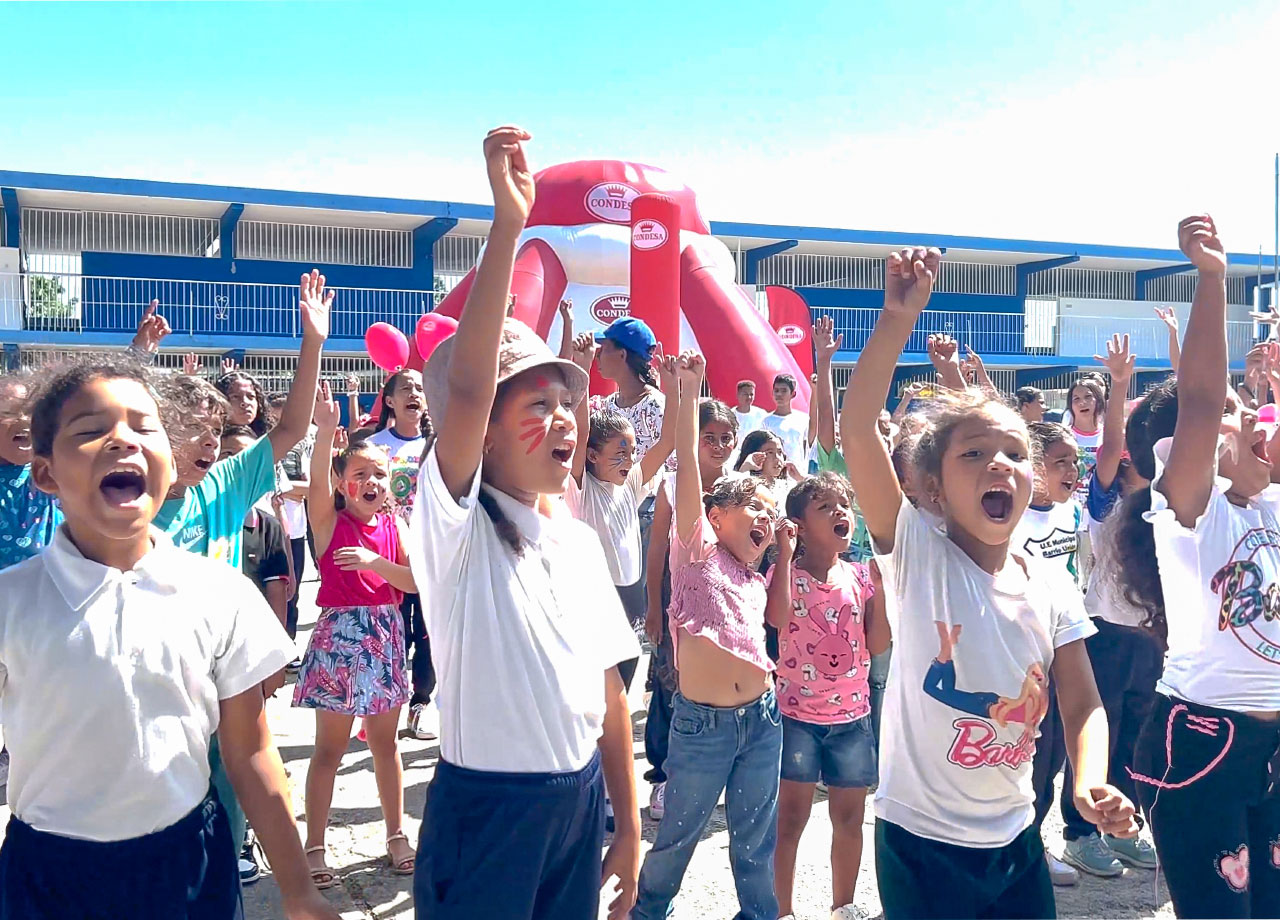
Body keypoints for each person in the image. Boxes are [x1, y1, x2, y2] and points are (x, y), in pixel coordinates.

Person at [841, 245, 1136, 919]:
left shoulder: (1051, 587)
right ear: (936, 491)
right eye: (973, 454)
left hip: (1015, 838)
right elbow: (858, 429)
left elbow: (1082, 701)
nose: (998, 464)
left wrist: (1089, 783)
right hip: (919, 841)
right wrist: (895, 319)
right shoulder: (917, 555)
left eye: (1012, 452)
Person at [0, 356, 338, 920]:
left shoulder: (219, 592)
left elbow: (251, 750)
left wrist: (299, 889)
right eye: (90, 430)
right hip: (50, 873)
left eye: (143, 426)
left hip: (188, 863)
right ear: (46, 474)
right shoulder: (12, 601)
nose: (121, 441)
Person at [408, 126, 640, 920]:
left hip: (576, 804)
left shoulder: (576, 540)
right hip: (486, 814)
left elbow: (609, 690)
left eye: (567, 402)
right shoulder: (456, 532)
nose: (565, 419)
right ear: (486, 432)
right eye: (537, 404)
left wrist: (629, 825)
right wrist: (510, 226)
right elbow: (469, 394)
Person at [1114, 215, 1280, 918]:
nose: (1254, 418)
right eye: (1244, 413)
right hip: (1203, 746)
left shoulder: (1269, 507)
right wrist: (1212, 278)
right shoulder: (1190, 516)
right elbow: (1205, 400)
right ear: (1195, 446)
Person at [152, 269, 331, 861]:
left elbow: (291, 428)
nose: (209, 442)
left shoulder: (226, 482)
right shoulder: (125, 499)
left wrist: (313, 342)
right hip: (153, 682)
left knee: (227, 807)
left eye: (216, 430)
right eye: (192, 432)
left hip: (223, 679)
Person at [632, 353, 782, 920]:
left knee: (754, 842)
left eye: (769, 513)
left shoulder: (752, 569)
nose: (764, 521)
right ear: (717, 519)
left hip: (763, 721)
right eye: (753, 510)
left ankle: (759, 913)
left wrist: (780, 547)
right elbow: (691, 482)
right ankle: (649, 910)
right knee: (678, 838)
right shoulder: (696, 555)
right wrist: (690, 395)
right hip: (703, 726)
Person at [293, 381, 417, 888]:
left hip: (385, 636)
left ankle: (395, 834)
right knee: (329, 750)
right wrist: (325, 433)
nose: (371, 481)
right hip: (340, 641)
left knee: (386, 747)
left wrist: (375, 562)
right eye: (360, 474)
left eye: (379, 474)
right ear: (344, 484)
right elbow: (318, 482)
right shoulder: (328, 521)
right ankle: (315, 844)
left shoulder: (394, 526)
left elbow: (413, 583)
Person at [1058, 333, 1160, 878]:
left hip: (1149, 634)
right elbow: (1107, 441)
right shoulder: (1106, 498)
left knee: (1140, 730)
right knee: (1105, 728)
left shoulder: (1164, 497)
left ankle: (1124, 826)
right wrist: (1118, 386)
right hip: (1106, 628)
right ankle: (1079, 833)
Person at [766, 473, 889, 920]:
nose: (842, 512)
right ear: (798, 524)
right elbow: (777, 619)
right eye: (826, 507)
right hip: (796, 717)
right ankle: (783, 910)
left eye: (845, 504)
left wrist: (883, 593)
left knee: (850, 819)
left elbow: (877, 646)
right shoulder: (788, 576)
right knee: (790, 821)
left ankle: (844, 905)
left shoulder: (859, 576)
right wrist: (782, 555)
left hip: (853, 719)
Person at [641, 397, 738, 821]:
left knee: (719, 689)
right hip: (677, 605)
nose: (718, 445)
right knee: (670, 687)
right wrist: (653, 607)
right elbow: (658, 546)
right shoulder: (671, 483)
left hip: (724, 610)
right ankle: (663, 776)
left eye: (725, 438)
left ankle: (713, 773)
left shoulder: (741, 488)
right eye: (709, 438)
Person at [565, 335, 677, 692]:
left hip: (631, 597)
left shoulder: (632, 483)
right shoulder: (582, 488)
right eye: (621, 450)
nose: (630, 459)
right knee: (594, 687)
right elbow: (581, 432)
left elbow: (668, 439)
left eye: (632, 450)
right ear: (592, 455)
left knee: (622, 685)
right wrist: (581, 369)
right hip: (594, 594)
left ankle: (613, 740)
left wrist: (675, 388)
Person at [366, 368, 437, 741]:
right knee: (390, 632)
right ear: (389, 400)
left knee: (429, 634)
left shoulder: (437, 444)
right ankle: (383, 706)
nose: (414, 393)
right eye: (406, 387)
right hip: (386, 555)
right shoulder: (374, 445)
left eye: (420, 388)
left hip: (430, 556)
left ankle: (420, 706)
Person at [0, 369, 61, 573]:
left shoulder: (52, 469)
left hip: (49, 588)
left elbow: (98, 398)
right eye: (9, 412)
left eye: (31, 412)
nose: (24, 419)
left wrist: (141, 351)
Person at [596, 316, 666, 461]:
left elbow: (671, 465)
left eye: (604, 348)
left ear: (622, 354)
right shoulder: (608, 404)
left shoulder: (654, 406)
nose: (597, 356)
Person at [736, 428, 801, 507]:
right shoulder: (747, 485)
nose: (777, 458)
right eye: (770, 453)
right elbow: (733, 500)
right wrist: (745, 467)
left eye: (780, 452)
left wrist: (800, 478)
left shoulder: (787, 487)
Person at [761, 373, 810, 470]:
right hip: (775, 472)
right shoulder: (766, 421)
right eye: (776, 391)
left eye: (784, 391)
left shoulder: (803, 419)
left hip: (798, 473)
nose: (779, 394)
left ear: (793, 394)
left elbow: (808, 448)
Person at [734, 379, 768, 444]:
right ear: (738, 395)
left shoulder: (761, 414)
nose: (749, 397)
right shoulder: (731, 415)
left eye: (751, 394)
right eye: (745, 394)